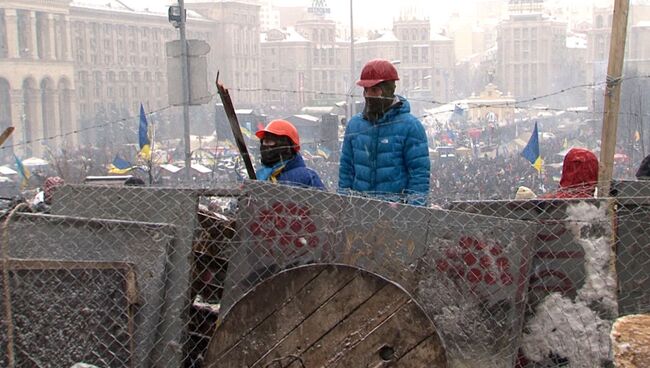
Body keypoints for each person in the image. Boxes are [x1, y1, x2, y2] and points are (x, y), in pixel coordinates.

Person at [338, 58, 430, 205]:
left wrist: (413, 213)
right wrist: (343, 205)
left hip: (396, 213)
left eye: (374, 90)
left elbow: (419, 175)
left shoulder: (410, 126)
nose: (368, 95)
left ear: (388, 90)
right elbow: (346, 170)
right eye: (366, 90)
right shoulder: (355, 125)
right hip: (361, 212)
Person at [255, 119, 325, 189]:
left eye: (268, 141)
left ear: (284, 144)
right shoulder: (260, 176)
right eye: (263, 142)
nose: (264, 146)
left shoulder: (307, 177)